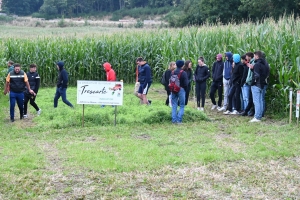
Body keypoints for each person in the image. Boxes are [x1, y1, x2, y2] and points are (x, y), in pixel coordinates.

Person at [248, 51, 268, 122]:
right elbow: (263, 74)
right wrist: (252, 69)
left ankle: (257, 117)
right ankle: (261, 115)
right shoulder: (265, 64)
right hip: (263, 84)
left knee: (256, 101)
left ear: (257, 56)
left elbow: (257, 75)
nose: (253, 57)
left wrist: (252, 83)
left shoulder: (257, 64)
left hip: (257, 85)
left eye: (254, 56)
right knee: (261, 100)